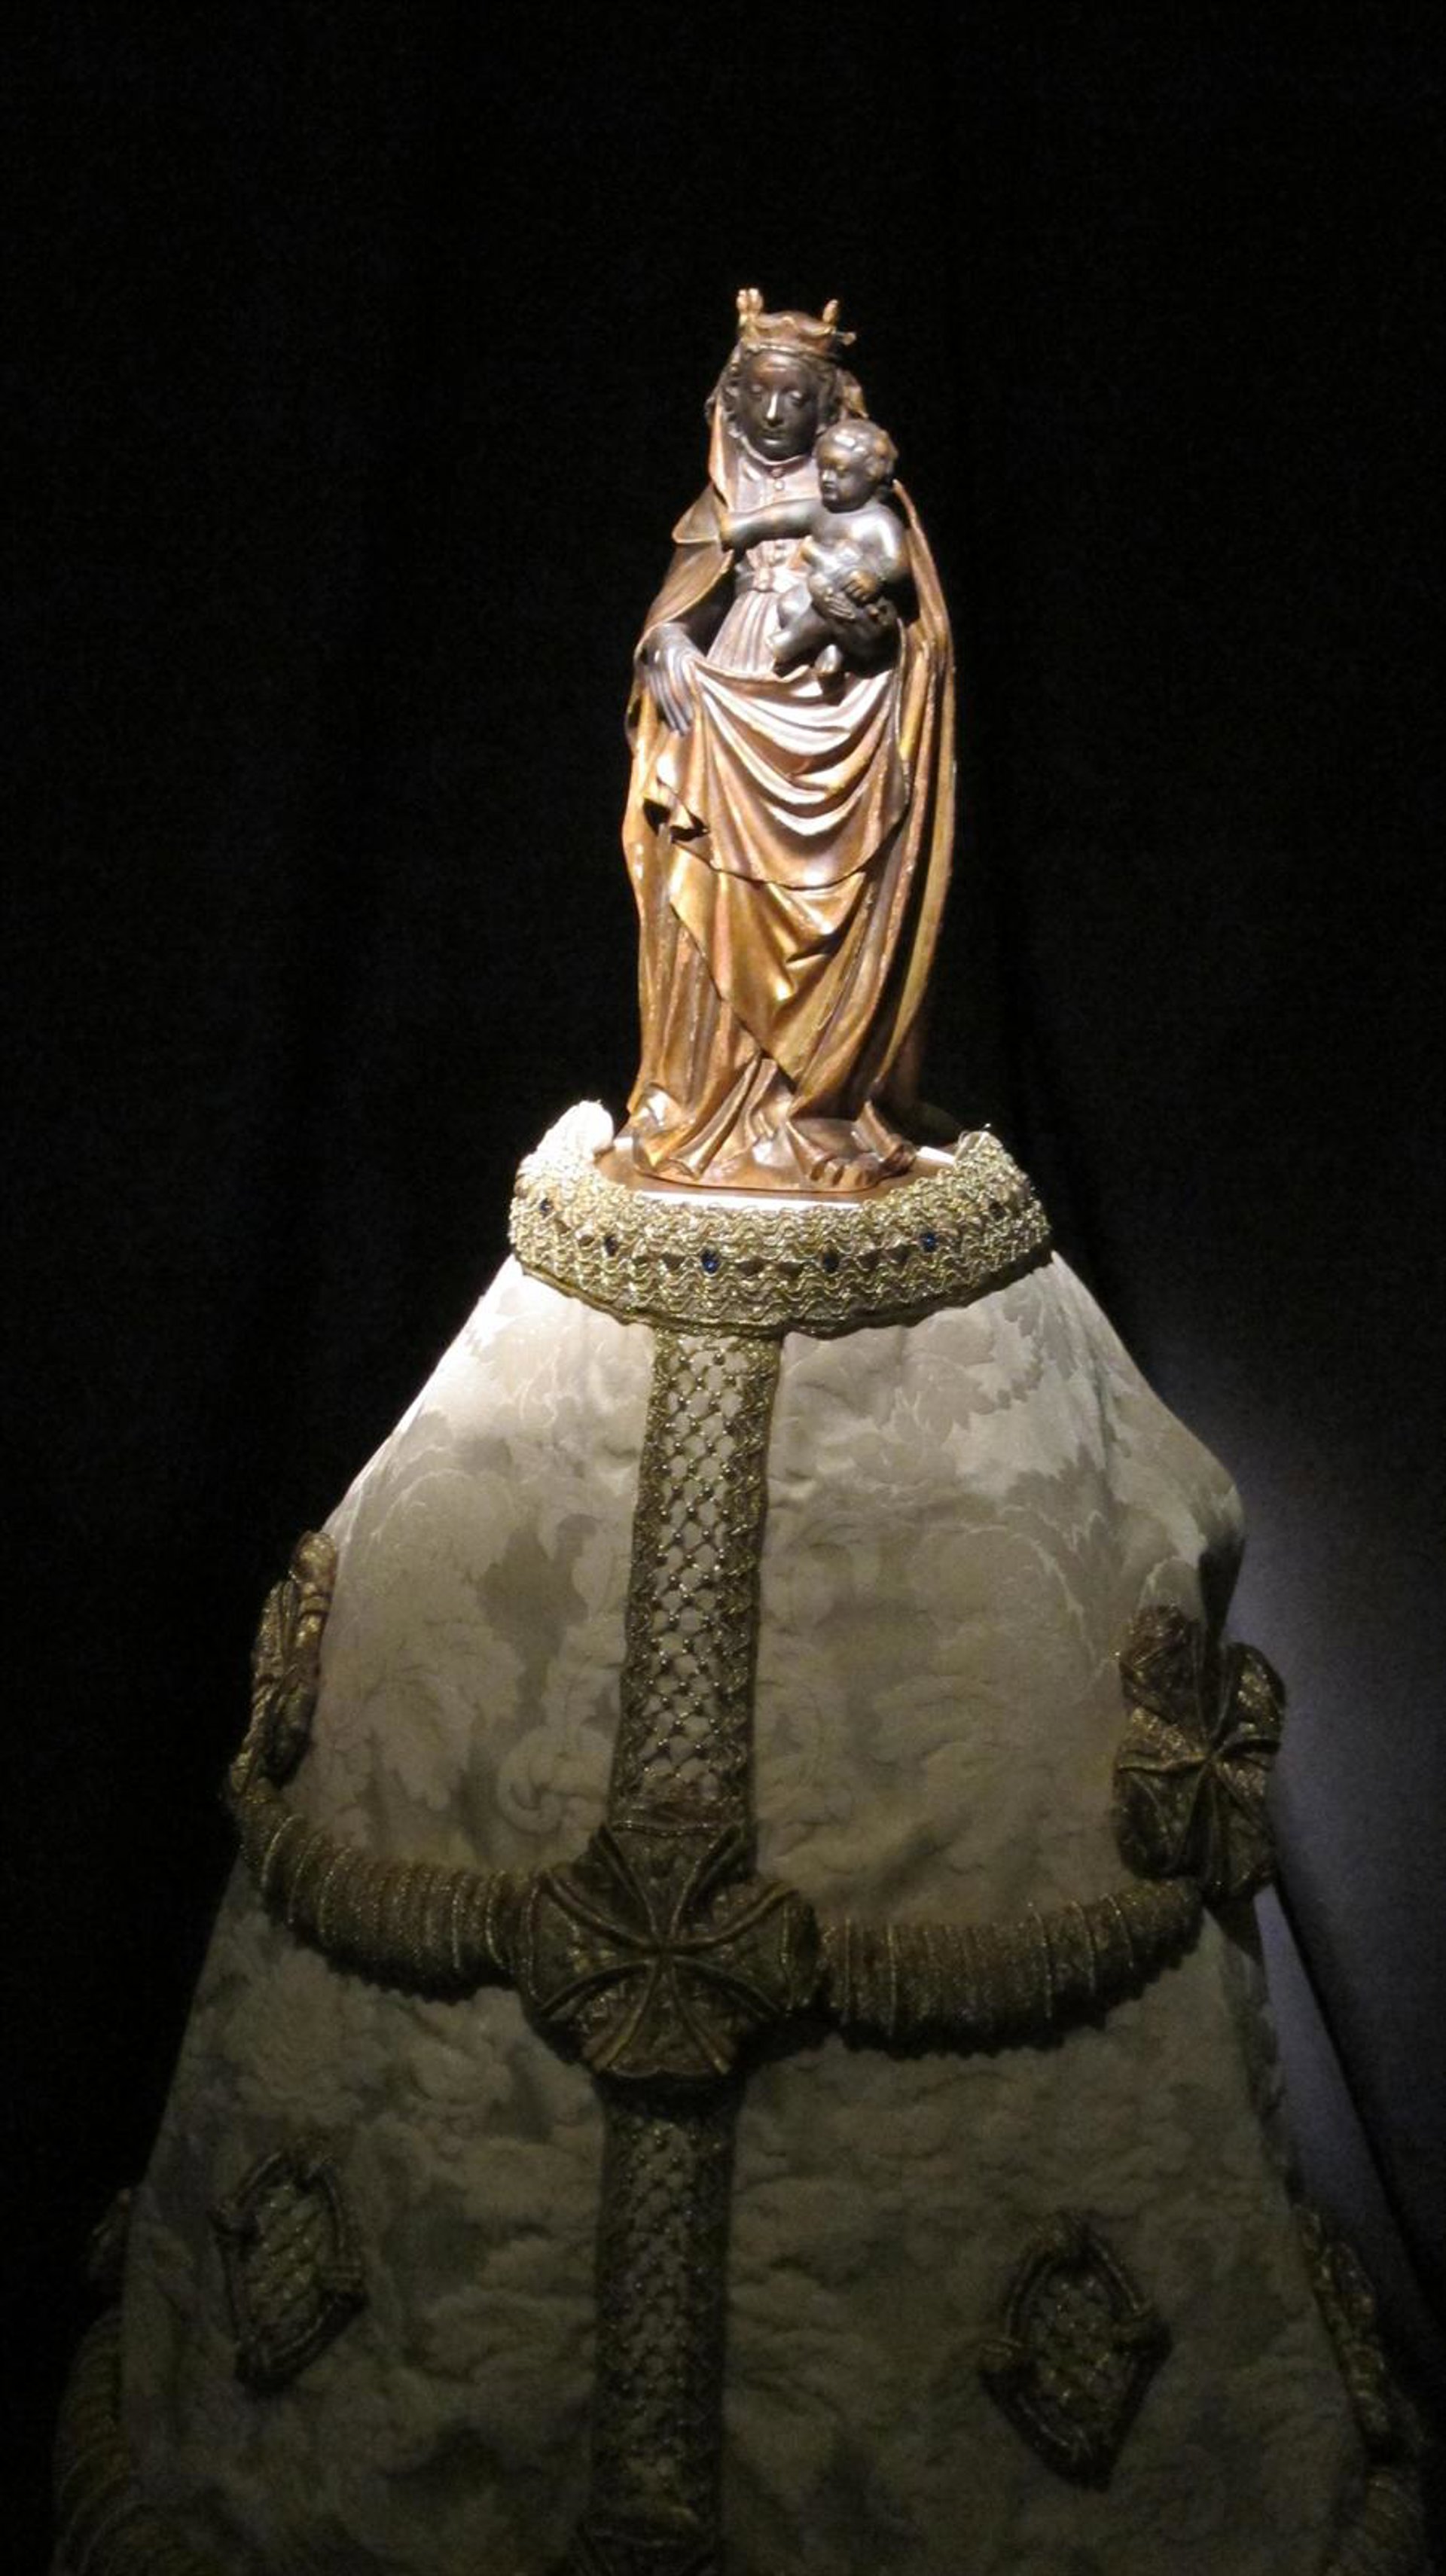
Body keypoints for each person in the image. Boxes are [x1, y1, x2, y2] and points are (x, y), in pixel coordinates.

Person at [613, 289, 956, 1193]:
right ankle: (706, 1100)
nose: (774, 414)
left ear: (828, 407)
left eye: (795, 398)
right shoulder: (720, 503)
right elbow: (683, 604)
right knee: (707, 893)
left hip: (837, 729)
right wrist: (667, 643)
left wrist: (866, 632)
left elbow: (911, 640)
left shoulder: (875, 507)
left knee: (828, 906)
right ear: (730, 402)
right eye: (757, 395)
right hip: (728, 707)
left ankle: (812, 1105)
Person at [718, 416, 908, 681]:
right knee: (790, 604)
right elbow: (783, 517)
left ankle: (793, 643)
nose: (828, 479)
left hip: (864, 615)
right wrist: (746, 526)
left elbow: (898, 565)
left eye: (841, 473)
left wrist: (875, 577)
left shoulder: (880, 521)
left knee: (821, 587)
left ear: (870, 475)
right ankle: (829, 648)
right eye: (823, 471)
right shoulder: (823, 511)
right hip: (822, 599)